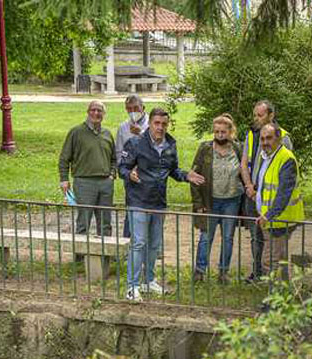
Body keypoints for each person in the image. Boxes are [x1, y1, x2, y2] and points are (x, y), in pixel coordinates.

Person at [119, 108, 204, 302]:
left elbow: (172, 170)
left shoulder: (170, 145)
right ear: (150, 123)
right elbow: (122, 167)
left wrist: (186, 176)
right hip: (138, 201)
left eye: (164, 124)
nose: (160, 127)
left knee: (154, 245)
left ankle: (148, 281)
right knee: (139, 243)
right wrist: (129, 174)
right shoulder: (135, 143)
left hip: (158, 202)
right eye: (157, 123)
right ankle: (132, 287)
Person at [239, 100, 293, 282]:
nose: (256, 118)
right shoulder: (252, 135)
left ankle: (276, 288)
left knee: (275, 250)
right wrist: (249, 186)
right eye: (255, 115)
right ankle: (258, 273)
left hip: (273, 203)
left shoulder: (283, 137)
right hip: (253, 194)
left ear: (271, 116)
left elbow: (283, 173)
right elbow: (244, 163)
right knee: (256, 237)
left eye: (260, 115)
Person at [190, 114, 244, 284]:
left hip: (232, 200)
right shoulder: (205, 149)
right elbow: (194, 176)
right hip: (210, 201)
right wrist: (198, 203)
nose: (220, 135)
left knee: (228, 237)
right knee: (206, 236)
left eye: (223, 132)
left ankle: (223, 272)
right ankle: (199, 270)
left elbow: (245, 172)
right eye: (217, 132)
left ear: (230, 132)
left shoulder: (238, 149)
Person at [59, 100, 116, 236]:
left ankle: (105, 255)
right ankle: (79, 256)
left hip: (105, 183)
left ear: (104, 114)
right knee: (83, 222)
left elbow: (114, 158)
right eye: (93, 110)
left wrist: (112, 174)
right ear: (88, 112)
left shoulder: (107, 134)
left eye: (99, 111)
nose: (96, 113)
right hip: (84, 182)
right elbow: (64, 158)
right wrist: (64, 179)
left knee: (105, 222)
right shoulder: (76, 132)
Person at [255, 123, 304, 280]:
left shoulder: (286, 159)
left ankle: (274, 301)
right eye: (262, 139)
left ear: (279, 139)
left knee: (270, 261)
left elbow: (284, 193)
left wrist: (268, 215)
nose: (265, 142)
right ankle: (283, 297)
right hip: (272, 218)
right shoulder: (268, 156)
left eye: (269, 138)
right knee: (280, 260)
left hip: (280, 220)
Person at [116, 94, 149, 238]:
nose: (132, 111)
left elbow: (157, 146)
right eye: (129, 109)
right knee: (131, 209)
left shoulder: (152, 124)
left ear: (143, 108)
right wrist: (124, 172)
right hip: (130, 175)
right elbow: (119, 151)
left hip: (149, 175)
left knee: (150, 211)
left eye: (135, 108)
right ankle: (128, 243)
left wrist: (141, 133)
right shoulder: (123, 127)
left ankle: (152, 246)